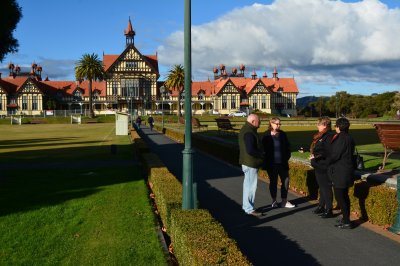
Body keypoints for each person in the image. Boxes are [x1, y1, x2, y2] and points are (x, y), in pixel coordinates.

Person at [262, 117, 295, 208]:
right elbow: (263, 149)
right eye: (277, 124)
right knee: (273, 182)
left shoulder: (283, 134)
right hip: (272, 164)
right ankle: (274, 200)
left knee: (286, 181)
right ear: (271, 123)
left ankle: (284, 201)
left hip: (282, 163)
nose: (279, 125)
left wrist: (286, 157)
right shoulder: (266, 135)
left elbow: (288, 147)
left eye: (280, 124)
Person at [328, 117, 355, 229]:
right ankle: (345, 218)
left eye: (336, 126)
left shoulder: (341, 138)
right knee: (344, 196)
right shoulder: (349, 137)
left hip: (340, 171)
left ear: (338, 127)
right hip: (347, 170)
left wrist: (325, 159)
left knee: (340, 197)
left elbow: (335, 155)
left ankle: (347, 221)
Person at [238, 114, 264, 217]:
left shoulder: (246, 129)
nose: (260, 123)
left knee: (247, 185)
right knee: (251, 186)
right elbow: (250, 150)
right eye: (259, 121)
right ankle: (249, 209)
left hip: (247, 162)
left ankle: (247, 207)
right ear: (253, 121)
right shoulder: (249, 132)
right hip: (251, 163)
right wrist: (262, 155)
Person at [309, 117, 334, 218]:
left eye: (318, 124)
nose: (317, 126)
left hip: (324, 165)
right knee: (322, 187)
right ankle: (321, 206)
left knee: (326, 188)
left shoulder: (328, 136)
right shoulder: (323, 135)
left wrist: (316, 156)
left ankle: (329, 209)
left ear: (324, 125)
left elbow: (327, 151)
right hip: (319, 165)